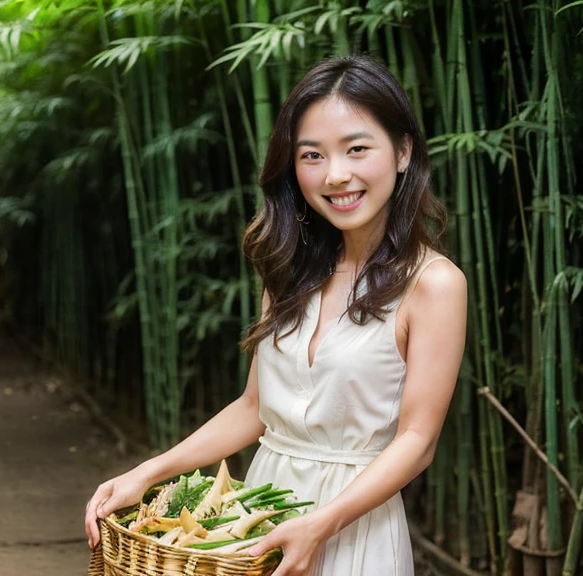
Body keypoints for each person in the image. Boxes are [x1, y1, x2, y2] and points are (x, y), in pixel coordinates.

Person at [84, 55, 467, 576]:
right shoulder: (290, 270)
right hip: (261, 519)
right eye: (312, 155)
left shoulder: (434, 284)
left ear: (402, 152)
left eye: (357, 149)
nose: (336, 175)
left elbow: (417, 443)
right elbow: (255, 407)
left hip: (355, 523)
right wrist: (149, 473)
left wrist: (321, 524)